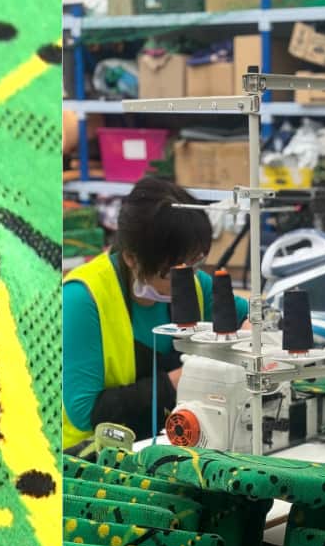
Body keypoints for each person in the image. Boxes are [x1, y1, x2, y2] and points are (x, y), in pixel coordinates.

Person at [63, 177, 249, 449]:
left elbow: (248, 319)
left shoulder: (195, 285)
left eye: (195, 263)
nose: (187, 278)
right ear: (131, 258)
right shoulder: (82, 298)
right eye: (171, 271)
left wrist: (248, 342)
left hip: (166, 444)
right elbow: (83, 411)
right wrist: (182, 381)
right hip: (90, 459)